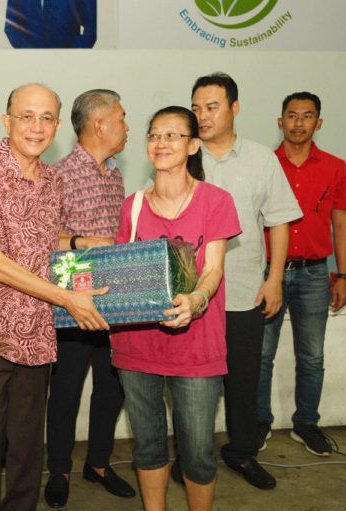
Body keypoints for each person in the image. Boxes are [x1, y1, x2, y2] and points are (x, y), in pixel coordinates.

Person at [0, 83, 109, 511]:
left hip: (36, 331)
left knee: (27, 448)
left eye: (46, 118)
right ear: (7, 122)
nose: (36, 127)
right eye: (26, 116)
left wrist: (82, 246)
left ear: (58, 126)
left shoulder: (53, 181)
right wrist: (67, 300)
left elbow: (43, 242)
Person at [112, 106, 240, 511]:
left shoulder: (215, 201)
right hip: (137, 347)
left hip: (197, 347)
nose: (161, 143)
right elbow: (123, 273)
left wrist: (197, 301)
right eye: (154, 135)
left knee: (199, 451)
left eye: (173, 135)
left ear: (193, 145)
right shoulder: (132, 206)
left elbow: (214, 269)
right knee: (148, 446)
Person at [190, 72, 302, 490]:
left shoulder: (261, 159)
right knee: (193, 383)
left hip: (243, 291)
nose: (203, 116)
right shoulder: (184, 155)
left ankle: (240, 452)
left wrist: (274, 281)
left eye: (212, 107)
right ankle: (190, 457)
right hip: (194, 295)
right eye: (197, 108)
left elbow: (278, 224)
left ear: (235, 108)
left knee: (243, 379)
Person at [44, 89, 135, 508]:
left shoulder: (115, 173)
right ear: (99, 124)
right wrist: (85, 242)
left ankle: (98, 463)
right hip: (73, 301)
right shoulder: (57, 175)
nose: (126, 124)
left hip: (115, 299)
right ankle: (59, 469)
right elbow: (42, 239)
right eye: (121, 116)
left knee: (112, 386)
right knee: (66, 390)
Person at [257, 92, 346, 456]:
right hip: (268, 273)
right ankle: (259, 421)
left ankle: (306, 423)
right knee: (261, 354)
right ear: (280, 121)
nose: (298, 123)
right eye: (291, 116)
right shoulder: (264, 164)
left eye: (307, 116)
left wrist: (341, 276)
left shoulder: (334, 166)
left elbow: (342, 223)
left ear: (319, 123)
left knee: (312, 355)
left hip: (315, 274)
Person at [5, 0, 97, 48]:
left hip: (69, 65)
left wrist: (70, 56)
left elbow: (91, 31)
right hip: (30, 63)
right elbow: (11, 28)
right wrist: (32, 54)